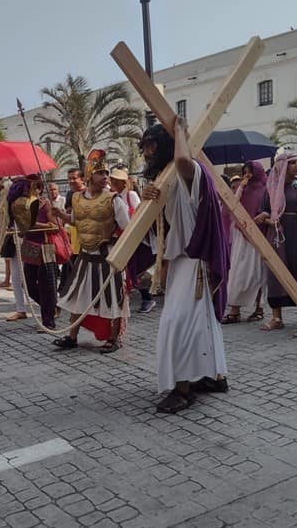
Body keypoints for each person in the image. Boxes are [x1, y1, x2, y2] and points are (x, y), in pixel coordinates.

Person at [140, 120, 230, 413]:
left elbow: (181, 159)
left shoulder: (192, 172)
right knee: (202, 323)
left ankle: (181, 389)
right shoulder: (167, 181)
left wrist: (178, 129)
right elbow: (161, 227)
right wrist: (149, 198)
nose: (146, 154)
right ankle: (215, 376)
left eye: (151, 147)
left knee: (176, 324)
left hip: (195, 262)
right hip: (180, 261)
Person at [54, 149, 130, 354]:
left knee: (112, 297)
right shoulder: (77, 198)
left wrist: (121, 254)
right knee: (79, 297)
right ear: (89, 175)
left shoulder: (114, 199)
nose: (105, 177)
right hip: (86, 256)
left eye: (106, 173)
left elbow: (128, 228)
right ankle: (72, 336)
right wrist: (60, 213)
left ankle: (113, 338)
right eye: (101, 173)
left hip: (108, 257)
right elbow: (77, 221)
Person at [256, 149, 297, 332]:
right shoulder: (270, 189)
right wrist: (266, 216)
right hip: (278, 236)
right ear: (283, 166)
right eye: (293, 163)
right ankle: (276, 318)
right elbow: (262, 211)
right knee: (276, 274)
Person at [10, 175, 58, 332]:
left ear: (39, 188)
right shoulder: (21, 205)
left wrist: (32, 225)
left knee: (47, 286)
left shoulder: (45, 204)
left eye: (34, 187)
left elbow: (54, 226)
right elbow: (23, 228)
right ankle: (51, 307)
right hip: (29, 248)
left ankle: (48, 321)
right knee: (29, 285)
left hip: (45, 247)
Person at [222, 161, 267, 324]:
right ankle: (235, 310)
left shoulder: (265, 189)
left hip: (259, 236)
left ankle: (259, 308)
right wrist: (241, 187)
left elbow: (268, 209)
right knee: (237, 273)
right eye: (245, 172)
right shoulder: (244, 189)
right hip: (241, 236)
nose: (247, 175)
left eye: (250, 172)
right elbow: (232, 206)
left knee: (257, 273)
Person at [109, 166, 156, 313]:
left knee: (138, 269)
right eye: (113, 180)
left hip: (136, 240)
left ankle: (147, 298)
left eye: (117, 180)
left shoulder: (131, 195)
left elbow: (138, 215)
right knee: (128, 270)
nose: (114, 183)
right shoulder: (113, 197)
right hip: (121, 238)